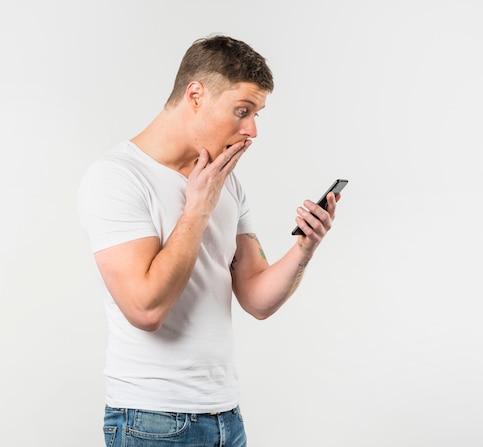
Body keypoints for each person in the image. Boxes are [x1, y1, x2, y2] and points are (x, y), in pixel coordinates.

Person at [78, 34, 341, 447]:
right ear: (196, 94)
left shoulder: (226, 183)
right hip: (152, 421)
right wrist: (198, 209)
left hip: (225, 416)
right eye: (242, 110)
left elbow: (256, 298)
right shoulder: (116, 177)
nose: (251, 130)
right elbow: (146, 309)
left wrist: (304, 249)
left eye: (256, 114)